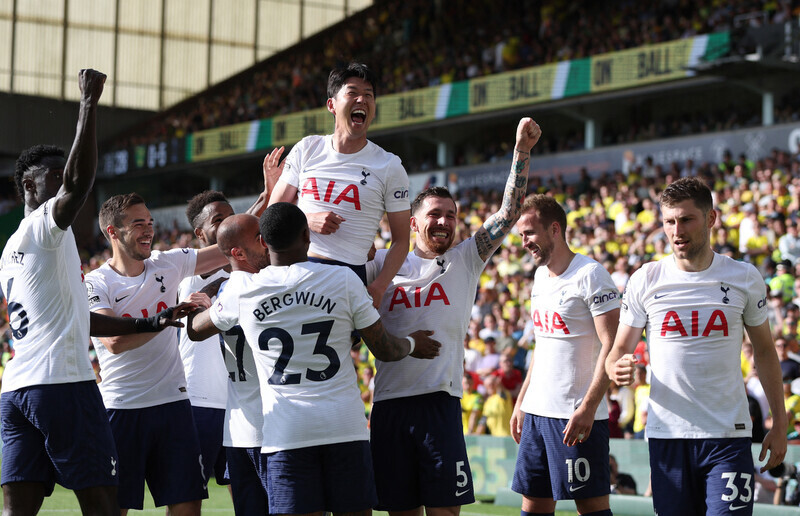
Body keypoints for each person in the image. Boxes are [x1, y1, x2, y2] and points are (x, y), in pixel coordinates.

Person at [0, 69, 192, 516]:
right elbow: (78, 181)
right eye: (52, 175)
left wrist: (149, 322)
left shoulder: (11, 249)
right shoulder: (45, 227)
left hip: (17, 388)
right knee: (104, 505)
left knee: (16, 510)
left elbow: (77, 319)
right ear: (30, 186)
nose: (64, 182)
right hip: (62, 383)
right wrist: (88, 102)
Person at [186, 202, 441, 516]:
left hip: (285, 434)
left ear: (264, 242)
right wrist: (414, 342)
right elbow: (386, 349)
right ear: (307, 236)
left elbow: (197, 331)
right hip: (344, 428)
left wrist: (199, 306)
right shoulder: (343, 281)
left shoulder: (244, 291)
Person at [367, 117, 541, 515]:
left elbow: (508, 214)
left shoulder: (466, 259)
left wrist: (522, 152)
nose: (443, 221)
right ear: (413, 223)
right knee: (400, 510)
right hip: (390, 403)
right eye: (434, 214)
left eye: (450, 214)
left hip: (440, 403)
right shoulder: (381, 263)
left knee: (445, 510)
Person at [606, 177, 788, 516]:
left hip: (728, 436)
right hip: (666, 436)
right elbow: (617, 352)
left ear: (711, 219)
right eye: (669, 221)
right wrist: (615, 367)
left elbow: (764, 352)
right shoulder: (645, 279)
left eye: (687, 219)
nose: (677, 230)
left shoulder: (744, 277)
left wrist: (779, 422)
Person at [85, 192, 231, 515]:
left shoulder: (167, 262)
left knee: (188, 507)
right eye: (138, 224)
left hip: (174, 407)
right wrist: (161, 321)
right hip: (121, 409)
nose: (148, 230)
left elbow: (227, 248)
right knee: (111, 510)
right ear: (112, 231)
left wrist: (272, 195)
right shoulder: (96, 282)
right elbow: (114, 341)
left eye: (150, 223)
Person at [509, 193, 620, 516]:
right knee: (533, 506)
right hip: (536, 414)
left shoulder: (591, 275)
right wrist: (522, 402)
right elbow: (542, 346)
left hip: (576, 416)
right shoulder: (540, 276)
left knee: (592, 507)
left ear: (554, 229)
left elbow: (611, 346)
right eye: (521, 236)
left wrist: (588, 407)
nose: (524, 242)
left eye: (529, 233)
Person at [266, 62, 410, 304]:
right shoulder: (307, 148)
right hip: (294, 271)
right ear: (331, 105)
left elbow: (401, 241)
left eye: (369, 95)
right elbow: (272, 213)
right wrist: (307, 220)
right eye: (352, 93)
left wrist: (378, 287)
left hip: (348, 278)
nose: (362, 100)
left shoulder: (389, 165)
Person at [177, 184, 272, 496]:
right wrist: (264, 200)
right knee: (188, 498)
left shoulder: (247, 274)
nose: (228, 226)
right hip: (199, 401)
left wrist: (266, 197)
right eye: (218, 221)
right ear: (201, 235)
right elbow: (227, 261)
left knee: (244, 494)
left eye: (232, 218)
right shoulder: (189, 276)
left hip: (239, 405)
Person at [213, 213, 271, 515]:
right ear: (238, 252)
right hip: (272, 428)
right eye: (260, 237)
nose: (268, 241)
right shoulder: (259, 286)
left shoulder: (225, 289)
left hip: (238, 430)